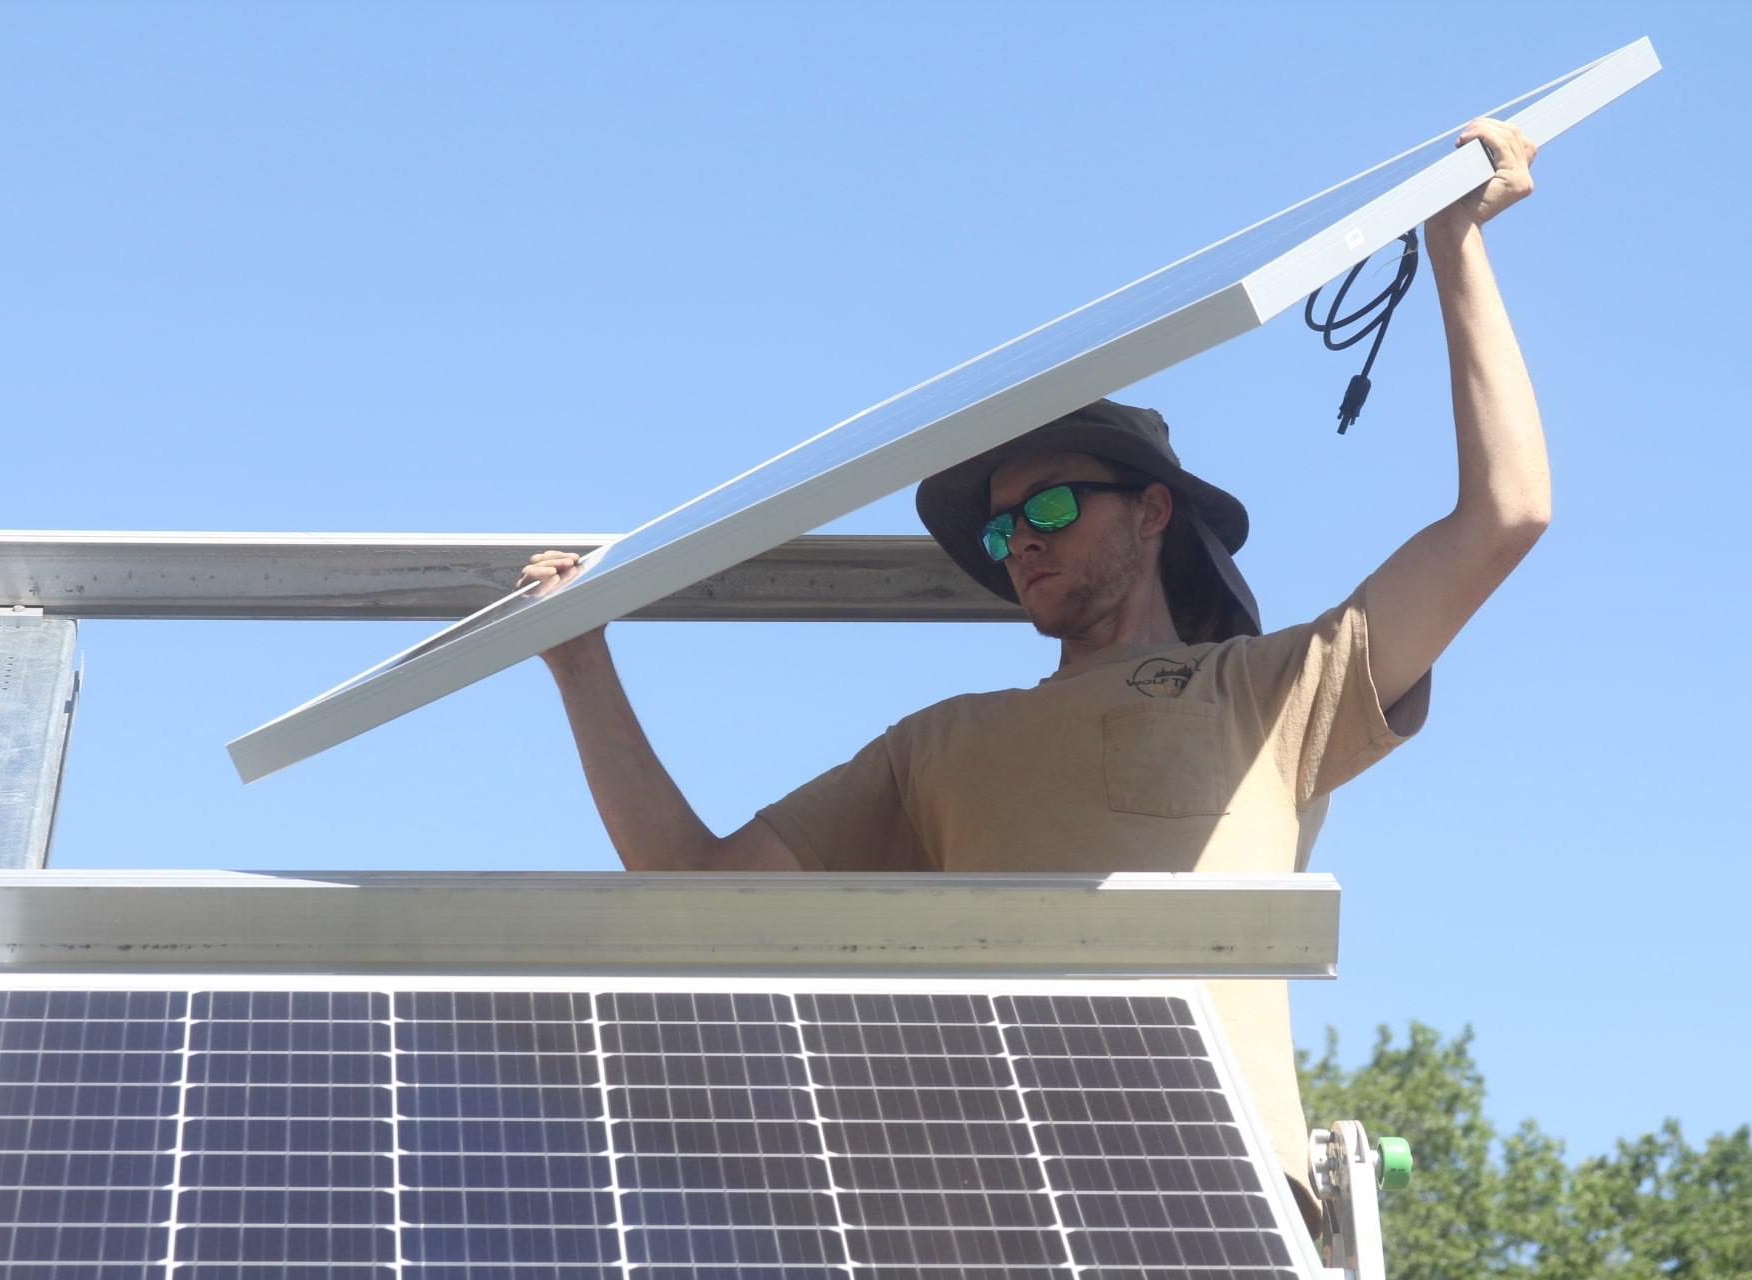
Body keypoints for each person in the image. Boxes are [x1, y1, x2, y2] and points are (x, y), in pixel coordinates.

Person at [518, 117, 1547, 1233]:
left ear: (1151, 511)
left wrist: (1455, 243)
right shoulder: (942, 743)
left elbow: (1505, 515)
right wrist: (578, 659)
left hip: (1220, 1212)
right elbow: (694, 888)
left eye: (1051, 506)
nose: (1021, 541)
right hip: (1000, 1217)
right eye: (1003, 528)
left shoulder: (1269, 692)